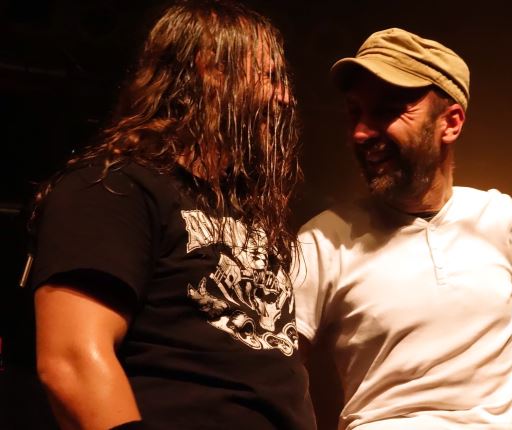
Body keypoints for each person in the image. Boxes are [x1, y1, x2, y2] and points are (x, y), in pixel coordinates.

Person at [28, 1, 315, 428]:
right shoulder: (113, 188)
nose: (285, 97)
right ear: (209, 70)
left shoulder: (246, 211)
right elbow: (71, 361)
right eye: (269, 77)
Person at [293, 28, 512, 429]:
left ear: (451, 123)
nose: (361, 132)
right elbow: (277, 371)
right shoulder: (322, 241)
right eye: (355, 112)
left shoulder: (500, 217)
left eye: (387, 111)